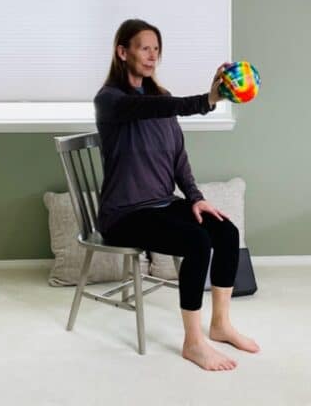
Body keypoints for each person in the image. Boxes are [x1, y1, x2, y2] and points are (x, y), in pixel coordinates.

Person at [93, 18, 260, 371]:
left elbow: (177, 156)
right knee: (197, 242)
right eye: (144, 48)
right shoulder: (111, 101)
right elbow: (150, 109)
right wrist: (207, 99)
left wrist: (196, 197)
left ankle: (220, 325)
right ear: (123, 52)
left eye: (156, 49)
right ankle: (193, 342)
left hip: (162, 204)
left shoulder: (161, 99)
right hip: (124, 215)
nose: (152, 55)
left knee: (226, 232)